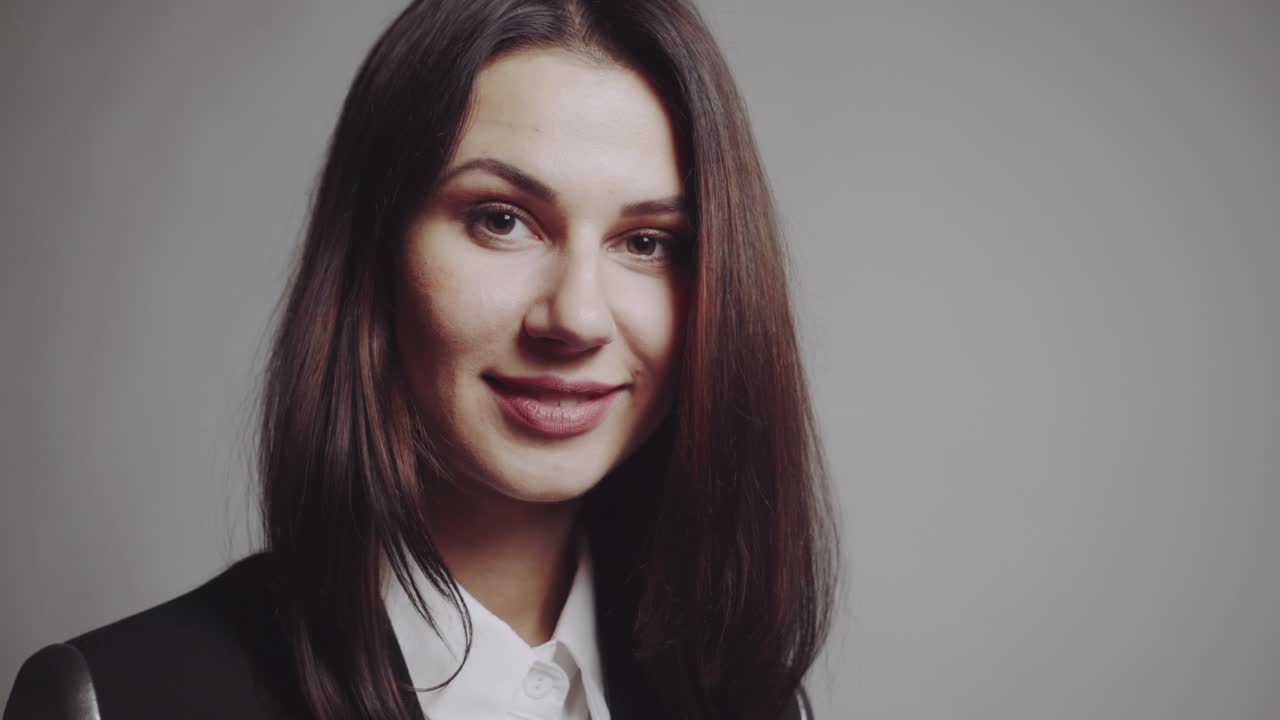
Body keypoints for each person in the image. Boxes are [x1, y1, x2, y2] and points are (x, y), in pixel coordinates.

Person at [4, 0, 837, 718]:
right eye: (502, 219)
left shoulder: (747, 700)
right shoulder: (120, 702)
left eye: (647, 241)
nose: (576, 317)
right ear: (376, 250)